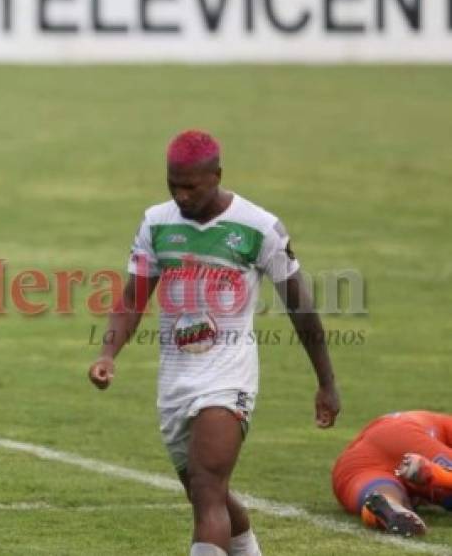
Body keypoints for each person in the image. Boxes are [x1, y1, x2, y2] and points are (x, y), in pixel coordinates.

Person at [87, 130, 341, 556]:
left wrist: (326, 382)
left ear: (217, 175)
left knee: (207, 491)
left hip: (228, 379)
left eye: (192, 186)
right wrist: (108, 353)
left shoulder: (259, 228)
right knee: (210, 494)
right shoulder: (156, 223)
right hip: (175, 381)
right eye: (174, 184)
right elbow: (133, 298)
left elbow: (301, 310)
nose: (182, 195)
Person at [332, 410, 452, 537]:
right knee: (438, 479)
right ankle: (430, 471)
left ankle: (391, 506)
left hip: (351, 464)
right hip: (401, 433)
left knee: (380, 493)